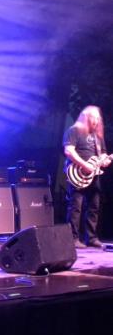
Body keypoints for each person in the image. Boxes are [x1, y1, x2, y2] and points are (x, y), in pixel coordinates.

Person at [63, 105, 111, 249]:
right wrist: (84, 165)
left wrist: (106, 161)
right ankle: (72, 238)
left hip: (93, 176)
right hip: (77, 174)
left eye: (97, 118)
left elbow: (103, 155)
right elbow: (69, 151)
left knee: (94, 206)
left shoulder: (98, 137)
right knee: (75, 206)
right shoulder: (74, 130)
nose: (95, 121)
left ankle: (91, 238)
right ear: (85, 117)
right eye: (92, 117)